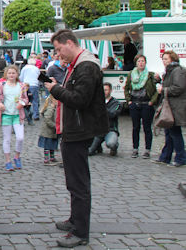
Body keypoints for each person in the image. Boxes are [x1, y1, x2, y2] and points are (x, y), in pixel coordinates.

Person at [44, 29, 108, 248]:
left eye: (60, 49)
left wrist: (55, 89)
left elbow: (79, 100)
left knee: (79, 183)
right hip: (74, 128)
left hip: (79, 130)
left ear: (70, 43)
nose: (58, 54)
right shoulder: (79, 65)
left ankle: (81, 232)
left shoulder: (86, 66)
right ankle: (75, 220)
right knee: (74, 181)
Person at [0, 65, 28, 171]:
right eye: (9, 73)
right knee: (7, 139)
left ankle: (17, 157)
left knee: (20, 137)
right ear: (6, 74)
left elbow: (26, 99)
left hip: (18, 115)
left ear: (17, 74)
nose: (11, 75)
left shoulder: (21, 86)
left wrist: (22, 103)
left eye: (13, 73)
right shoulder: (1, 86)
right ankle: (8, 161)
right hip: (6, 115)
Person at [155, 50, 186, 167]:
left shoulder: (178, 71)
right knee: (168, 133)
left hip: (175, 106)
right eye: (163, 59)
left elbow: (179, 88)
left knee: (175, 133)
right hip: (170, 106)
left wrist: (163, 90)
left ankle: (180, 158)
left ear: (172, 59)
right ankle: (165, 157)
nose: (164, 61)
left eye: (166, 59)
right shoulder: (170, 71)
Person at [124, 54, 158, 159]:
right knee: (135, 127)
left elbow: (156, 90)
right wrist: (129, 100)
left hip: (146, 104)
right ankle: (135, 149)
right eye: (139, 61)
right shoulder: (131, 74)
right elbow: (126, 88)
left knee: (147, 128)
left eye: (142, 61)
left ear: (145, 62)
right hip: (135, 103)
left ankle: (147, 149)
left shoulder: (150, 75)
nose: (141, 63)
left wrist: (152, 102)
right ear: (136, 63)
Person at [88, 83, 121, 156]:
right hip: (98, 131)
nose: (104, 92)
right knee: (89, 151)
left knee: (111, 144)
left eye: (106, 90)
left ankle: (114, 147)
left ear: (110, 90)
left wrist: (102, 107)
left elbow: (112, 114)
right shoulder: (96, 102)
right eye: (102, 90)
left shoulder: (116, 103)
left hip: (110, 130)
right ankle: (98, 146)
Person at [38, 95, 59, 165]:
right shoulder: (50, 109)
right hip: (48, 131)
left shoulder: (54, 108)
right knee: (47, 146)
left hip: (51, 132)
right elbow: (48, 120)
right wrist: (55, 126)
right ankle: (46, 159)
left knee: (52, 145)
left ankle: (52, 157)